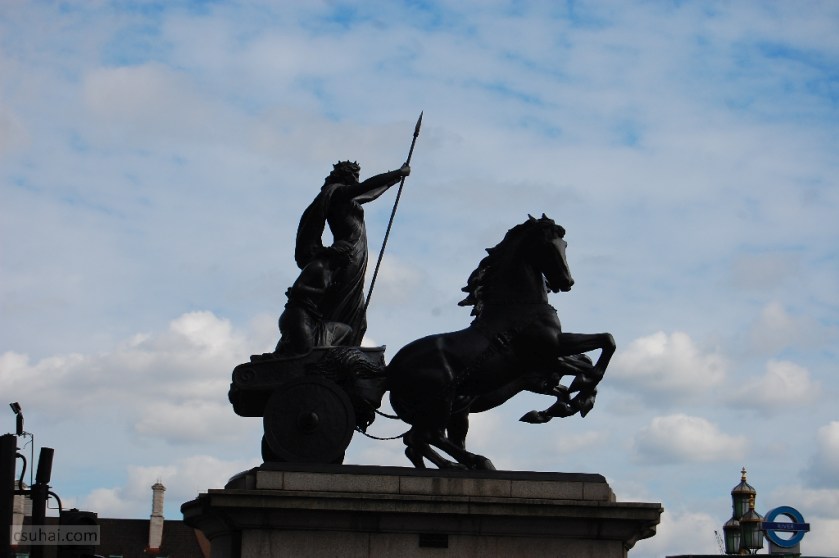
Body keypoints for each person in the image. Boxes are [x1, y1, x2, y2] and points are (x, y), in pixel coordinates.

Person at [287, 160, 410, 349]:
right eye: (353, 175)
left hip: (356, 256)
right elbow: (367, 186)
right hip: (347, 256)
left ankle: (343, 348)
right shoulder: (337, 193)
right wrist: (397, 173)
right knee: (346, 308)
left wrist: (393, 181)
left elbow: (370, 193)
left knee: (356, 312)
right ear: (343, 176)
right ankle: (328, 346)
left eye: (357, 176)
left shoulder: (349, 197)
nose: (356, 179)